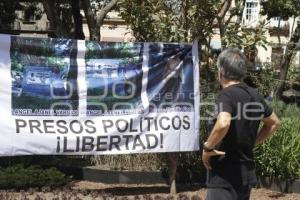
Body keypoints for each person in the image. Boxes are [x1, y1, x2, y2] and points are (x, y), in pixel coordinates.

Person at [202, 48, 280, 200]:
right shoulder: (255, 95)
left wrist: (207, 148)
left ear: (221, 73)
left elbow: (223, 123)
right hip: (245, 176)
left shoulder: (226, 94)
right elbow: (274, 123)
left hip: (224, 177)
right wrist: (252, 143)